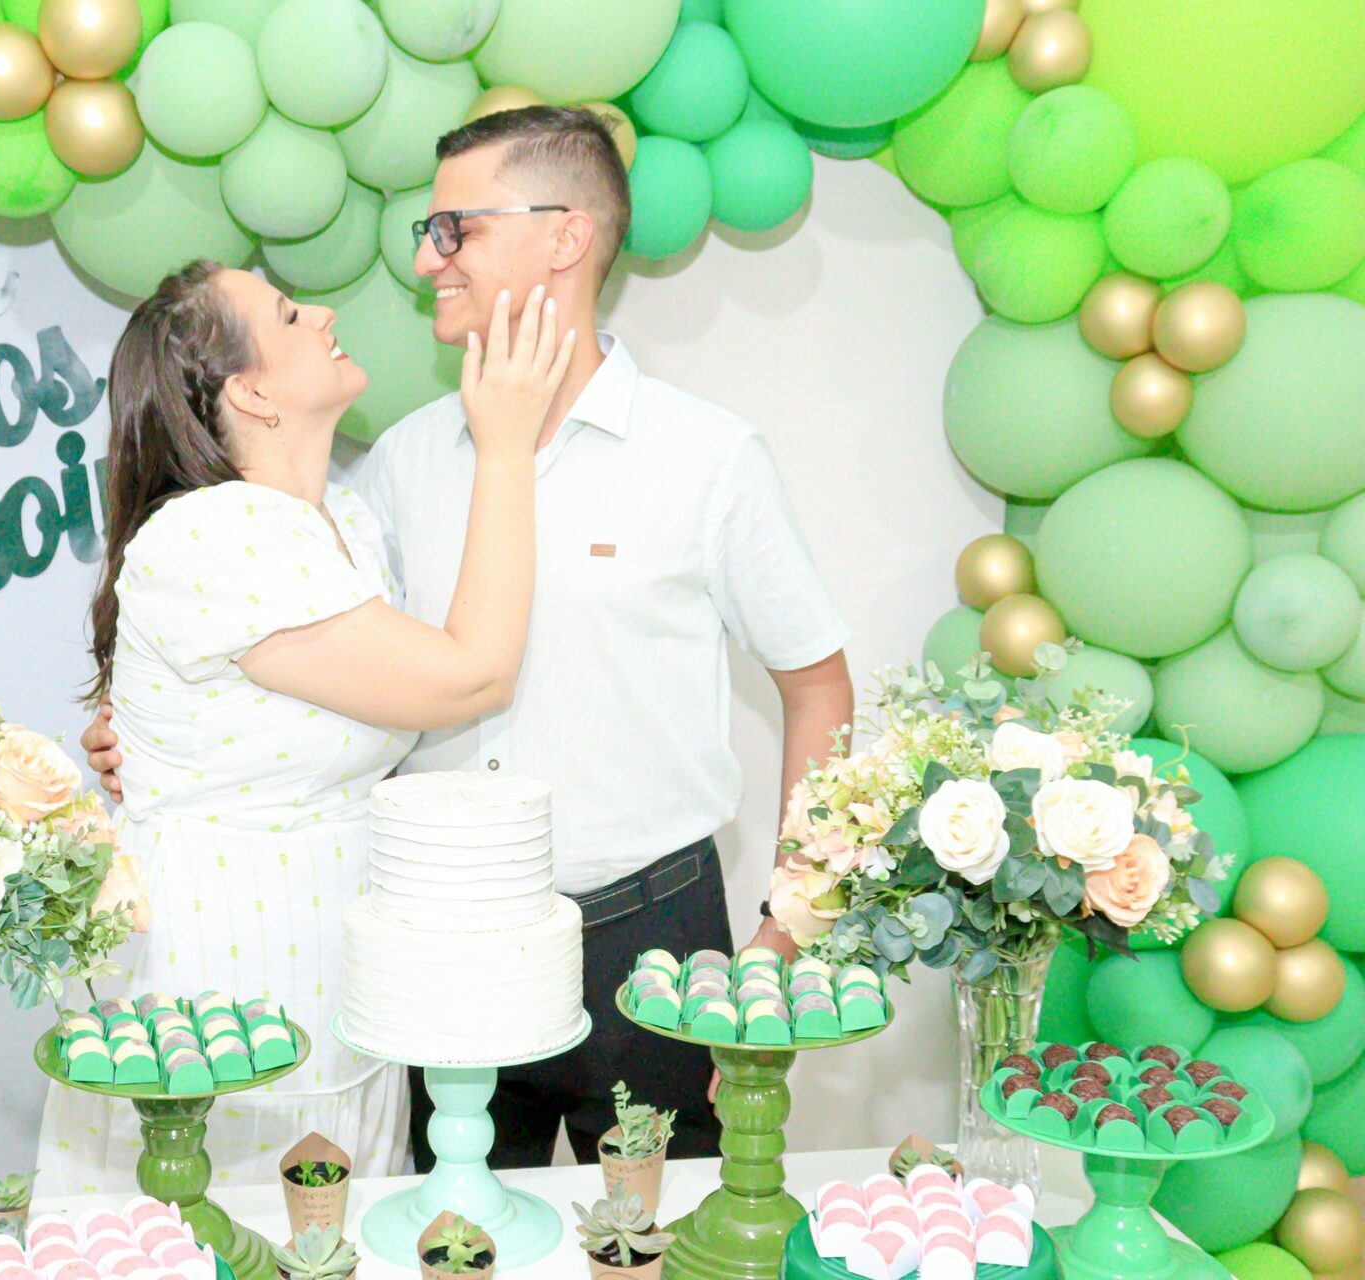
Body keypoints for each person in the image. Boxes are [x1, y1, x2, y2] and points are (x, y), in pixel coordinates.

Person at [86, 107, 855, 1170]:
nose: (424, 259)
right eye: (427, 229)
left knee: (668, 1229)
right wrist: (155, 739)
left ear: (565, 236)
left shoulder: (707, 458)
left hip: (651, 938)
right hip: (432, 942)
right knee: (440, 1230)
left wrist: (787, 931)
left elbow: (819, 687)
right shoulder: (394, 468)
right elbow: (323, 664)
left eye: (455, 230)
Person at [34, 259, 576, 1193]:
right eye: (289, 315)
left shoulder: (342, 517)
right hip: (220, 974)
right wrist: (507, 445)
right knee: (213, 1226)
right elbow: (473, 674)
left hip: (340, 959)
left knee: (329, 1233)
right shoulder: (212, 535)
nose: (323, 312)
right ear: (250, 391)